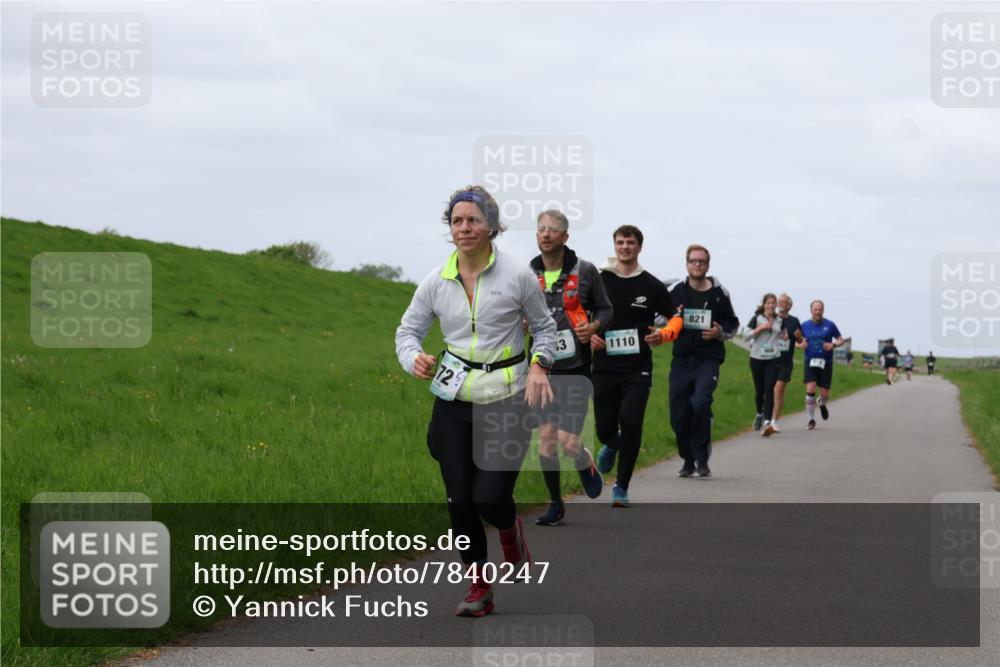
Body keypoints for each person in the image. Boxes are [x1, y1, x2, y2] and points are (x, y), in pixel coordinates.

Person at [395, 185, 557, 617]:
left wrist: (539, 365)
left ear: (492, 226)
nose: (465, 228)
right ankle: (479, 587)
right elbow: (406, 332)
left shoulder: (518, 276)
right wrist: (415, 358)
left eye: (473, 220)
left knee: (489, 498)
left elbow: (545, 328)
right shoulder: (436, 281)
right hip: (453, 399)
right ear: (449, 229)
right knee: (459, 500)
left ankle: (509, 531)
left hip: (506, 398)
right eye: (457, 221)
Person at [529, 209, 613, 526]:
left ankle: (583, 460)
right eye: (541, 229)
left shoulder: (586, 271)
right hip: (542, 371)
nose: (546, 234)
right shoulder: (527, 275)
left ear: (565, 237)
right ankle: (555, 506)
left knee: (568, 442)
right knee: (547, 441)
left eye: (553, 230)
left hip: (576, 368)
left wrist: (594, 327)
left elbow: (606, 309)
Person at [590, 225, 677, 507]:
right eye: (620, 242)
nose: (625, 247)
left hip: (637, 368)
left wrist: (664, 335)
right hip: (604, 365)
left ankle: (621, 487)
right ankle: (611, 445)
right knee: (605, 428)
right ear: (614, 246)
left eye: (630, 242)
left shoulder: (651, 285)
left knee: (631, 421)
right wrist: (589, 334)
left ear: (640, 247)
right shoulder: (600, 279)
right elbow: (577, 311)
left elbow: (675, 317)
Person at [668, 244, 739, 477]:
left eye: (702, 261)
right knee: (679, 415)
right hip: (681, 360)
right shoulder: (676, 291)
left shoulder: (719, 293)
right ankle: (687, 459)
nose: (697, 264)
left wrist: (719, 333)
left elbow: (732, 324)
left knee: (700, 402)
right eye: (693, 261)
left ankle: (701, 457)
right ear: (687, 263)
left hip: (708, 359)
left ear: (708, 265)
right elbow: (660, 317)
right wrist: (673, 318)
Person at [798, 300, 844, 430]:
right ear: (811, 310)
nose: (817, 312)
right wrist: (800, 345)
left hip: (826, 362)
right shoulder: (804, 325)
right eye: (815, 309)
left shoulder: (830, 325)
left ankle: (821, 402)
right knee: (811, 388)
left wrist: (833, 345)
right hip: (810, 360)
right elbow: (796, 342)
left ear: (823, 311)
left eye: (820, 309)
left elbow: (840, 339)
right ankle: (811, 419)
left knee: (825, 394)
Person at [744, 293, 784, 436]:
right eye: (769, 303)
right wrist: (760, 328)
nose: (771, 305)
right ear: (764, 304)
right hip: (757, 357)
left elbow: (782, 334)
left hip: (773, 358)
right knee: (759, 391)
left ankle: (767, 422)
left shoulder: (780, 320)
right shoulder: (756, 318)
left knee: (769, 389)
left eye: (774, 303)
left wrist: (783, 336)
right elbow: (745, 336)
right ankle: (759, 414)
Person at [769, 293, 803, 435]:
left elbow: (801, 341)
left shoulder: (794, 321)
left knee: (778, 389)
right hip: (769, 359)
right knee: (768, 392)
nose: (781, 304)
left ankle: (774, 421)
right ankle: (766, 418)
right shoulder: (770, 318)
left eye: (784, 302)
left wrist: (798, 337)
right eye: (780, 302)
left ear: (789, 305)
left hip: (785, 361)